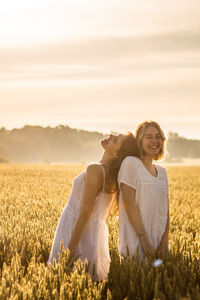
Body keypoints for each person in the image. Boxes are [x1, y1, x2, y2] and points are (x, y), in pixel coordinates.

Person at [48, 132, 139, 281]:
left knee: (62, 280)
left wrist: (69, 251)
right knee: (87, 283)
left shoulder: (94, 169)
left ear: (117, 154)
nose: (110, 135)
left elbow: (85, 212)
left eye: (115, 140)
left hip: (74, 230)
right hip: (95, 235)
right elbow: (102, 213)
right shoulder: (113, 177)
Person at [118, 121, 169, 260]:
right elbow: (129, 205)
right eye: (148, 137)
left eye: (158, 136)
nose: (154, 141)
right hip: (137, 242)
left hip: (159, 245)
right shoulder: (130, 163)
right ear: (139, 141)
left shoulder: (162, 172)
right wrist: (144, 239)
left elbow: (166, 210)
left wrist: (164, 242)